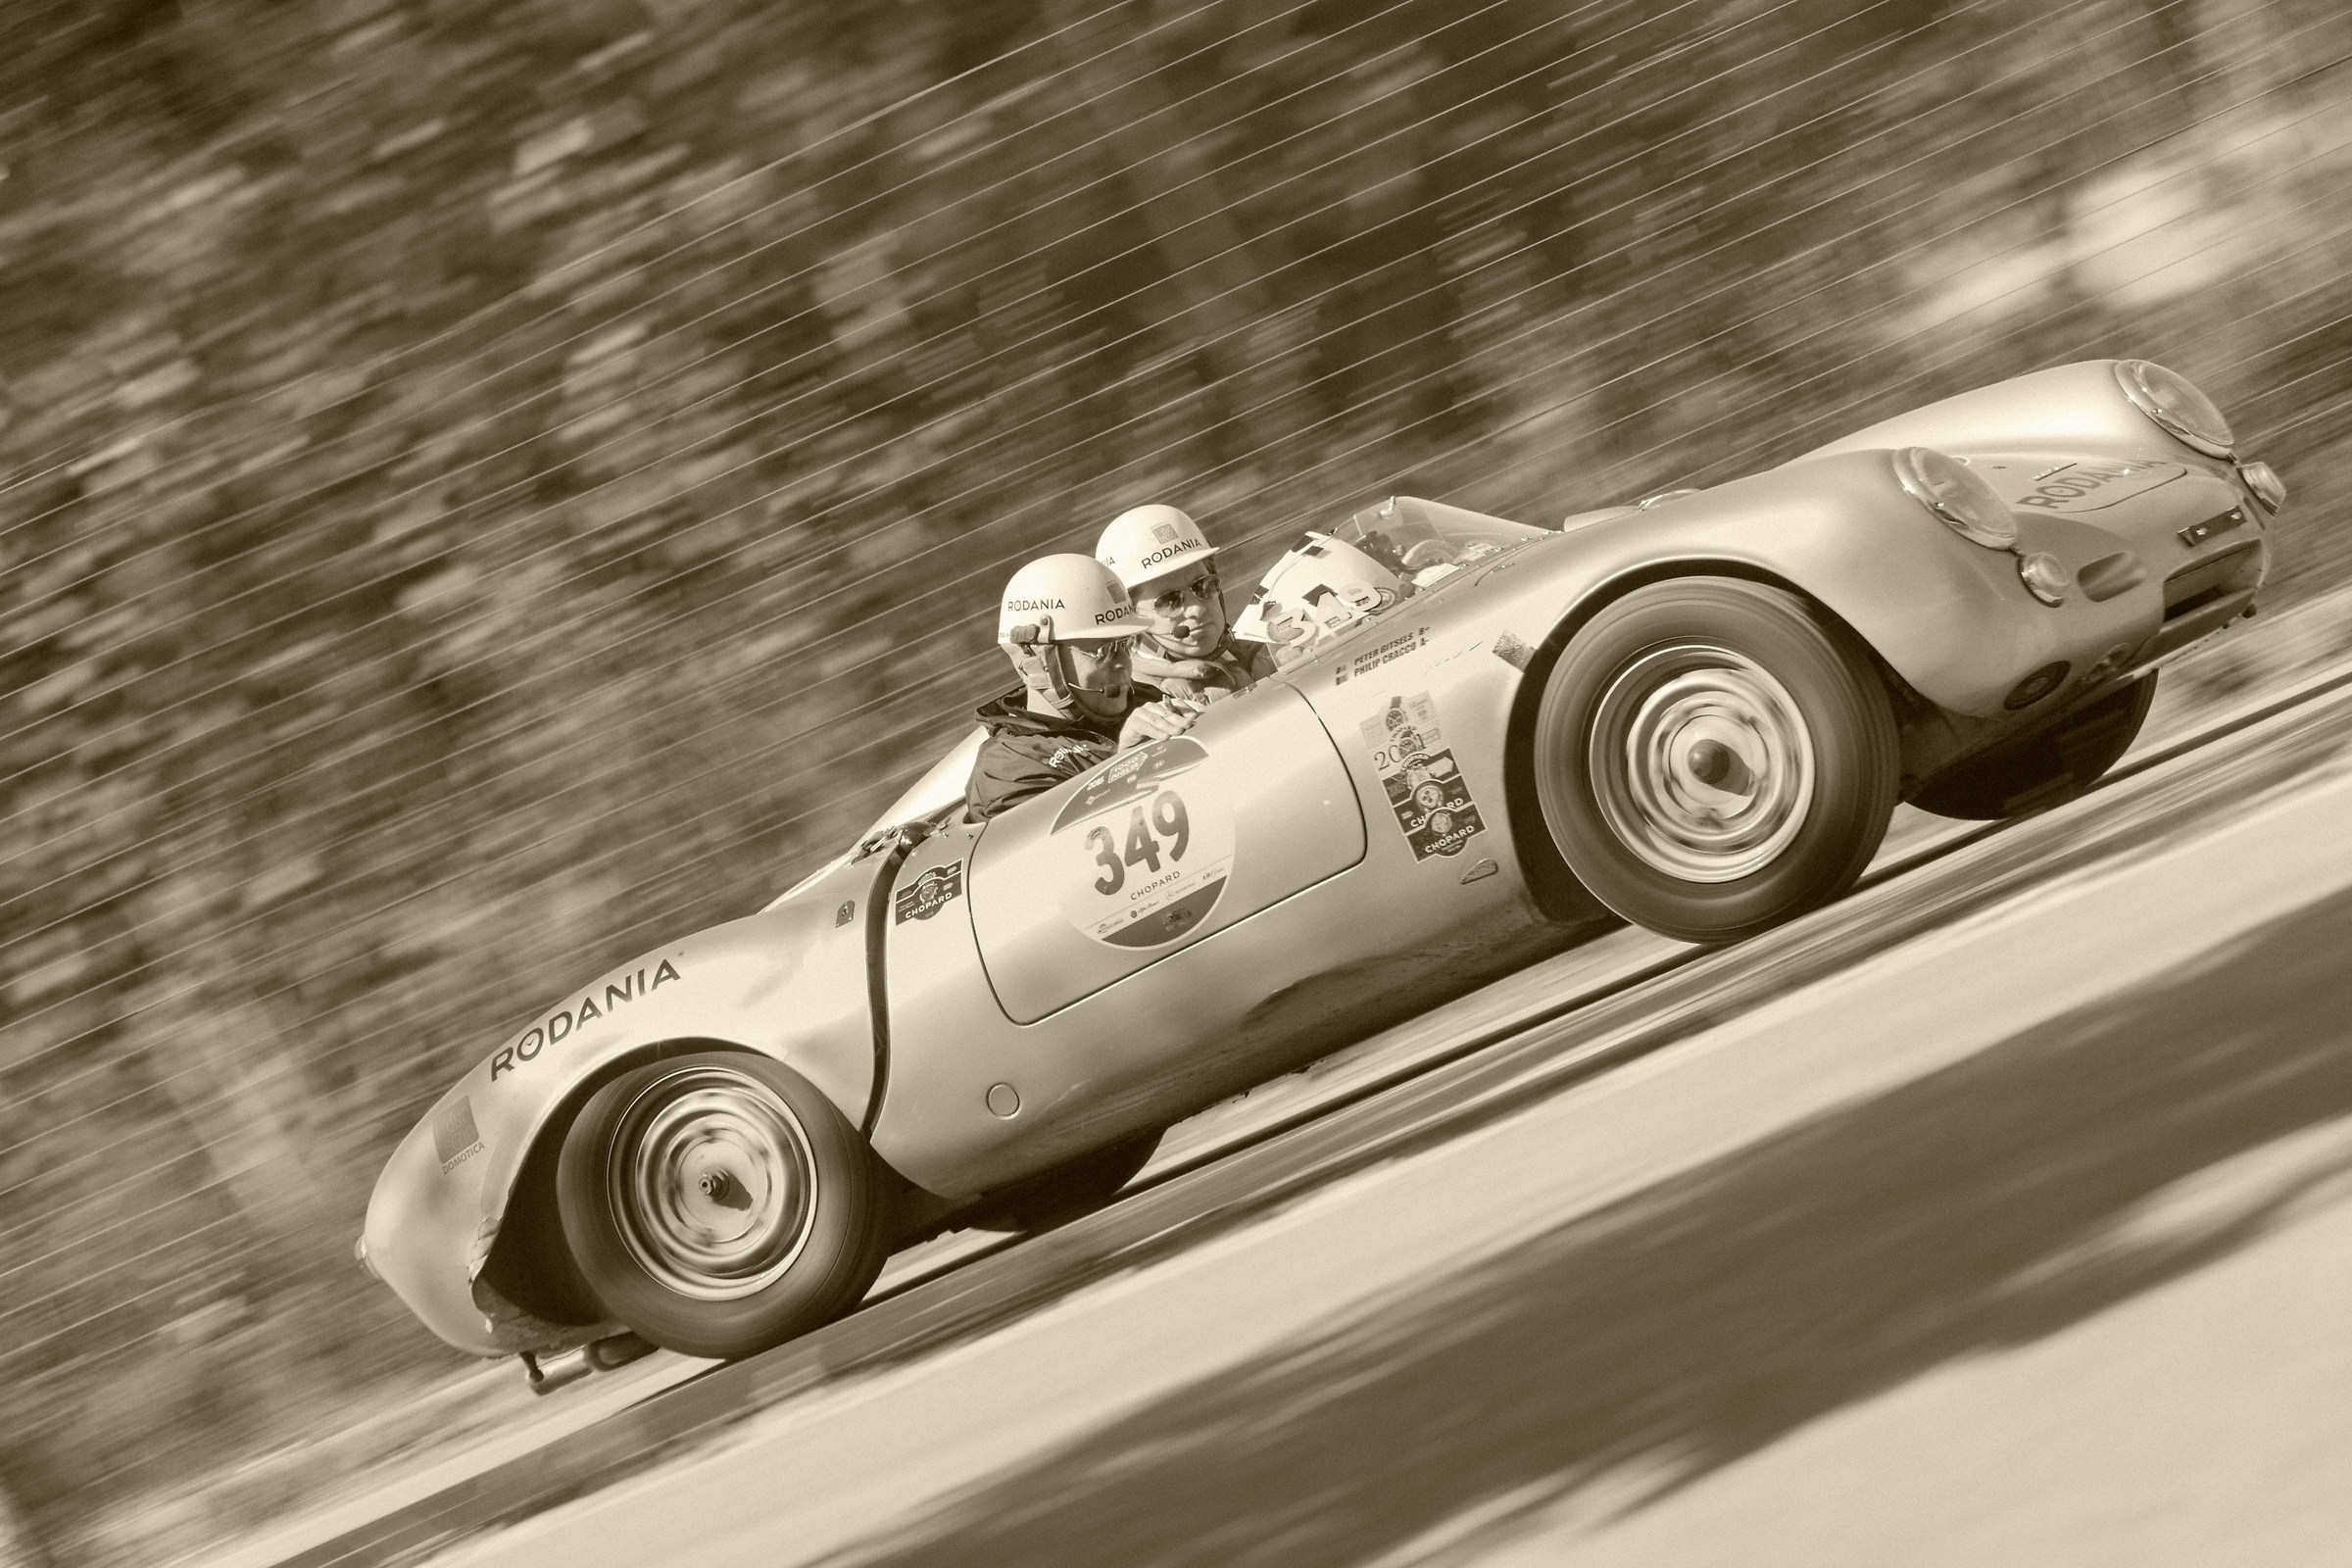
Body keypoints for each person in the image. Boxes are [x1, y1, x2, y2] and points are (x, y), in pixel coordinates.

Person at [967, 554, 1201, 821]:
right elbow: (1063, 853)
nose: (1123, 664)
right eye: (1102, 651)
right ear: (1038, 659)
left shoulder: (1148, 698)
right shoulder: (1007, 767)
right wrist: (1126, 763)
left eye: (1125, 645)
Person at [1095, 504, 1276, 702]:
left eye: (1204, 586)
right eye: (1168, 601)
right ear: (1131, 617)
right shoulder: (1139, 703)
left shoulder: (1254, 657)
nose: (1196, 609)